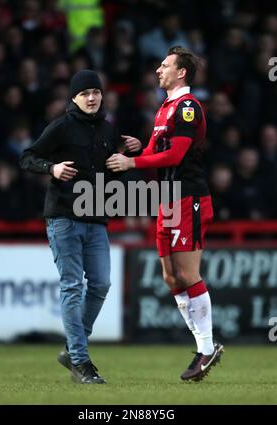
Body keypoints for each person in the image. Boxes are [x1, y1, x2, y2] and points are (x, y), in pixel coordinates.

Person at [106, 46, 224, 382]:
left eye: (165, 65)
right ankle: (204, 346)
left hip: (189, 198)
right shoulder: (164, 109)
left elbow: (175, 156)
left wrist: (133, 162)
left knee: (188, 274)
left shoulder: (187, 107)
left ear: (182, 72)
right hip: (166, 199)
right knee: (171, 277)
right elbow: (158, 153)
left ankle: (205, 348)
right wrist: (138, 150)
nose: (159, 70)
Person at [20, 69, 141, 384]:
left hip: (96, 219)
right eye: (85, 93)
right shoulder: (61, 127)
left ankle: (74, 348)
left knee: (100, 285)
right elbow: (27, 157)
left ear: (102, 96)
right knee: (73, 286)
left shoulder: (108, 130)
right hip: (63, 218)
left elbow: (112, 172)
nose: (91, 97)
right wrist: (52, 167)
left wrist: (131, 154)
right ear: (73, 98)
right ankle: (79, 360)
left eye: (96, 92)